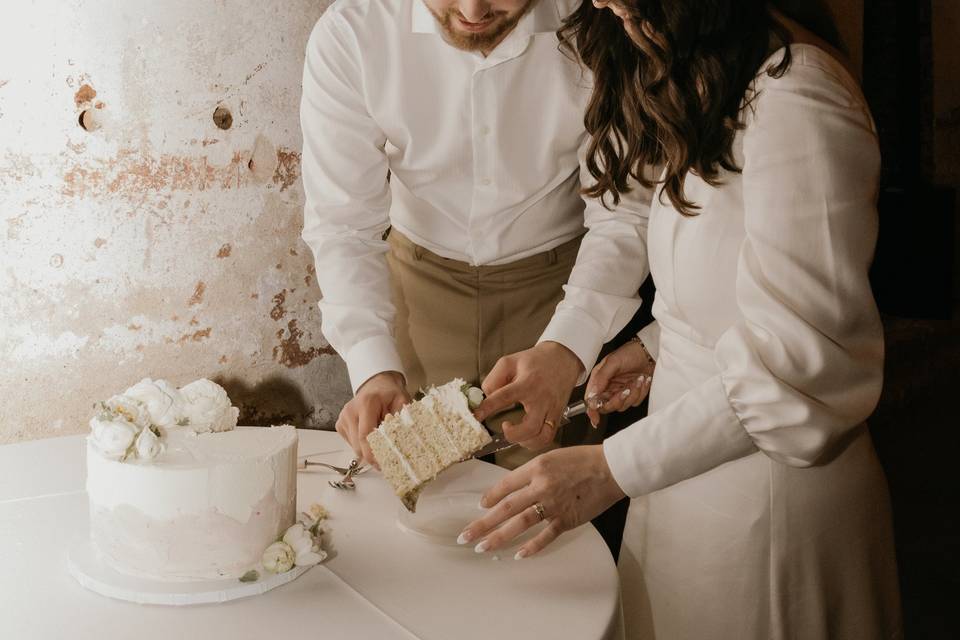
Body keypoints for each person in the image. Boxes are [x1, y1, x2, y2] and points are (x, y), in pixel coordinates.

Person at [462, 1, 903, 637]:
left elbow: (799, 366)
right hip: (681, 480)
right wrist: (657, 344)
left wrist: (609, 469)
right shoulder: (706, 69)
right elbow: (739, 277)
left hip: (766, 508)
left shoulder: (799, 96)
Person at [299, 0, 652, 470]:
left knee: (546, 523)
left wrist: (570, 345)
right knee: (417, 519)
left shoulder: (604, 26)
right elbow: (343, 225)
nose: (472, 9)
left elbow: (625, 213)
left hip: (563, 295)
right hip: (415, 303)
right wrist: (371, 366)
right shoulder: (352, 32)